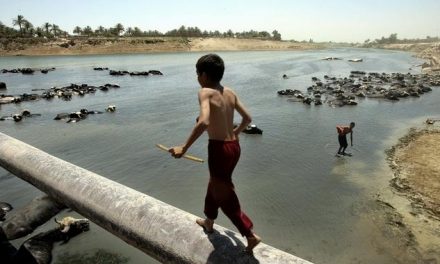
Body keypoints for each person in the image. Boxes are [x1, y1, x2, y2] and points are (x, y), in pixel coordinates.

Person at [168, 54, 261, 253]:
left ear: (204, 74)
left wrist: (183, 148)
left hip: (219, 149)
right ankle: (209, 221)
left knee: (224, 194)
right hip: (234, 147)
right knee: (217, 184)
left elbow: (204, 122)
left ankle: (249, 234)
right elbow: (247, 118)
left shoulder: (205, 92)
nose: (197, 77)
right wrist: (234, 134)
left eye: (197, 73)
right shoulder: (229, 92)